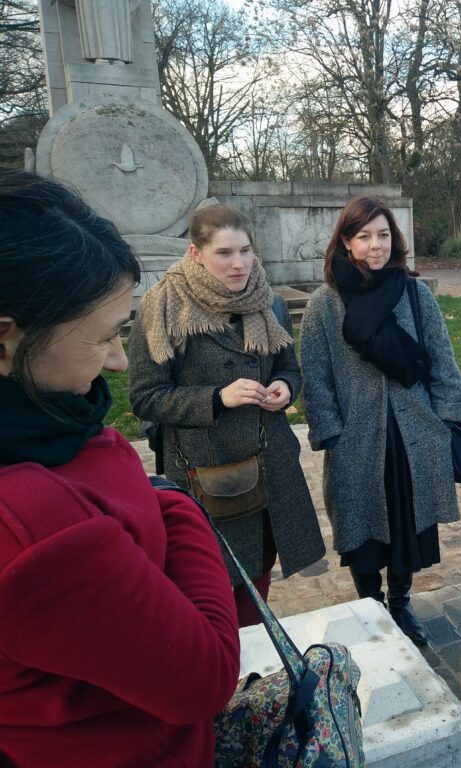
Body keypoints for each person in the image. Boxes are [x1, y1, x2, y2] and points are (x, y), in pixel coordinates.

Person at [0, 169, 240, 765]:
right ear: (6, 338)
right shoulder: (28, 520)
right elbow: (204, 678)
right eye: (104, 337)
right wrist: (177, 504)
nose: (113, 360)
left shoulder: (46, 420)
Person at [129, 204, 324, 628]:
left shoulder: (267, 302)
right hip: (207, 478)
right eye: (223, 253)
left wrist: (286, 388)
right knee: (214, 593)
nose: (238, 264)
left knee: (258, 582)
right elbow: (145, 398)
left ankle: (253, 663)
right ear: (196, 253)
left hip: (269, 468)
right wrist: (218, 397)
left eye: (245, 250)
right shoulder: (162, 309)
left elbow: (290, 367)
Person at [300, 196, 461, 647]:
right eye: (365, 236)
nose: (377, 245)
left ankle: (401, 601)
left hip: (413, 434)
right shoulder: (324, 305)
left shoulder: (415, 293)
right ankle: (370, 603)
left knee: (407, 526)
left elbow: (442, 361)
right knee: (362, 529)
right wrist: (331, 432)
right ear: (347, 243)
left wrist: (446, 418)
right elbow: (314, 376)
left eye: (385, 234)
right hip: (356, 437)